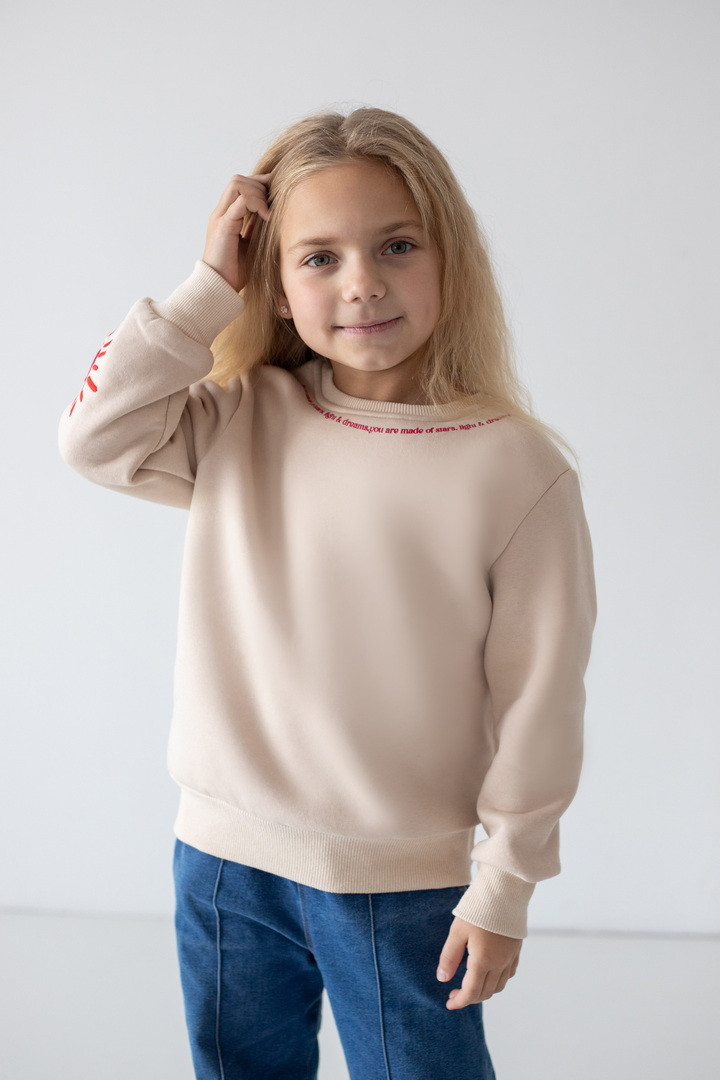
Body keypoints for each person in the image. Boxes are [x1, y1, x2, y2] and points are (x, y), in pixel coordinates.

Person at [58, 106, 597, 1080]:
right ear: (274, 283)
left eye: (398, 245)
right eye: (319, 257)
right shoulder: (241, 421)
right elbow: (94, 437)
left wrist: (506, 884)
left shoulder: (515, 470)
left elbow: (541, 700)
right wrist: (207, 291)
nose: (363, 283)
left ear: (450, 255)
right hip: (223, 865)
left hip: (401, 886)